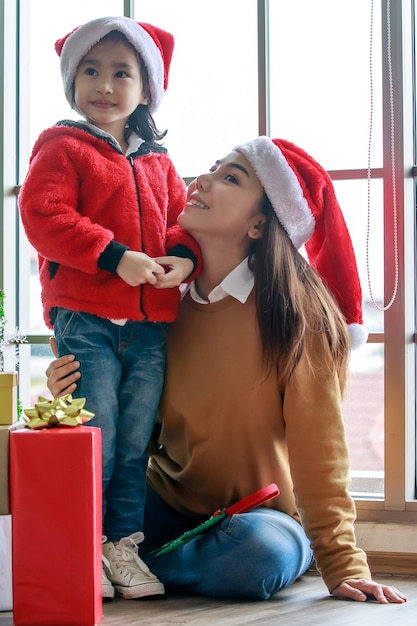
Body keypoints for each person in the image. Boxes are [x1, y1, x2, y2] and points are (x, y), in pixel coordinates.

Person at [46, 136, 407, 605]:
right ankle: (129, 564)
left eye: (230, 177)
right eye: (212, 169)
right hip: (159, 507)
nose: (201, 181)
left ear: (260, 223)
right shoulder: (157, 309)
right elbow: (133, 432)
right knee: (64, 518)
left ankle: (128, 569)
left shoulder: (298, 318)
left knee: (259, 557)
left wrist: (342, 564)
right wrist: (69, 398)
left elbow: (321, 451)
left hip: (261, 519)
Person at [19, 16, 202, 602]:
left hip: (149, 329)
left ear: (146, 88)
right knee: (92, 434)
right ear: (72, 83)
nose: (103, 84)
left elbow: (180, 225)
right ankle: (80, 543)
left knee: (131, 443)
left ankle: (121, 545)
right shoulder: (61, 146)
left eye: (121, 72)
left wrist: (183, 261)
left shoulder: (159, 162)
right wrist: (114, 255)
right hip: (86, 319)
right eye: (89, 71)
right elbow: (44, 218)